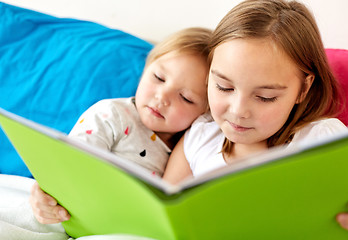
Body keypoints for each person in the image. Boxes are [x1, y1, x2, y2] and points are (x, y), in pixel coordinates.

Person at [162, 0, 348, 236]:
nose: (238, 110)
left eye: (265, 97)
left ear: (303, 89)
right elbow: (165, 216)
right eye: (224, 87)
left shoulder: (323, 141)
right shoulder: (200, 137)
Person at [29, 27, 211, 224]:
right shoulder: (112, 114)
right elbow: (68, 167)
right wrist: (45, 198)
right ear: (145, 70)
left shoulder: (188, 150)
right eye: (158, 78)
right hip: (74, 216)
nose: (162, 97)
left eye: (185, 98)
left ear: (205, 113)